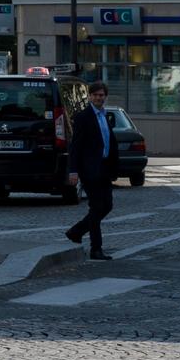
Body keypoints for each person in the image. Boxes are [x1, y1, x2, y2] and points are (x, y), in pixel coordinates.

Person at [64, 80, 121, 260]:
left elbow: (109, 143)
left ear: (105, 96)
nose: (99, 98)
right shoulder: (83, 117)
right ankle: (96, 248)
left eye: (101, 95)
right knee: (97, 207)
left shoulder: (105, 116)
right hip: (89, 170)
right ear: (90, 97)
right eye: (95, 95)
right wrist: (73, 171)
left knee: (107, 206)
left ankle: (76, 231)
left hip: (104, 168)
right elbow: (76, 146)